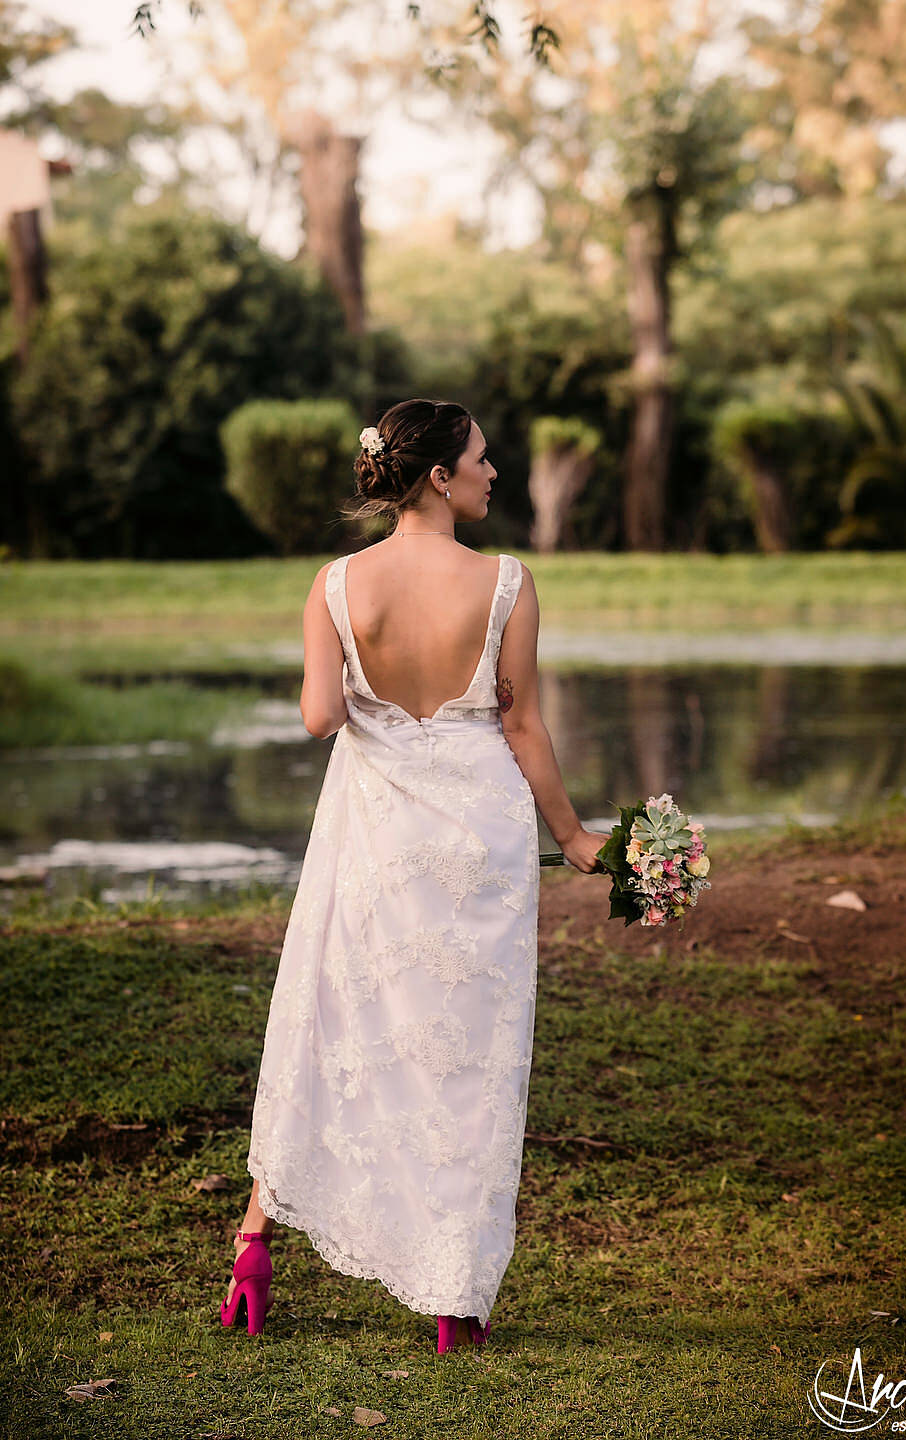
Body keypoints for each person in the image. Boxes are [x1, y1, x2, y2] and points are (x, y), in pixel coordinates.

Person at [220, 398, 607, 1352]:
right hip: (481, 842)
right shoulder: (507, 583)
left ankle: (254, 1248)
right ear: (439, 475)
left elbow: (319, 717)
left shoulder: (337, 584)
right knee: (468, 1063)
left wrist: (357, 677)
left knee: (329, 1018)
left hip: (374, 834)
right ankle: (453, 1301)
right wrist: (579, 835)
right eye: (481, 458)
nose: (492, 472)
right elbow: (521, 725)